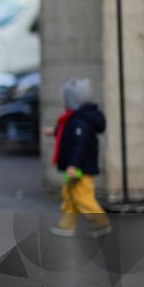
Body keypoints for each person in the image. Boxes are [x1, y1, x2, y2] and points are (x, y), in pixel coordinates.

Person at [46, 78, 110, 237]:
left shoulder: (80, 120)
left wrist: (73, 165)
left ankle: (100, 221)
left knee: (82, 196)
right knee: (70, 195)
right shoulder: (76, 118)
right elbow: (70, 137)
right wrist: (54, 132)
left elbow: (79, 145)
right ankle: (67, 224)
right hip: (76, 167)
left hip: (80, 168)